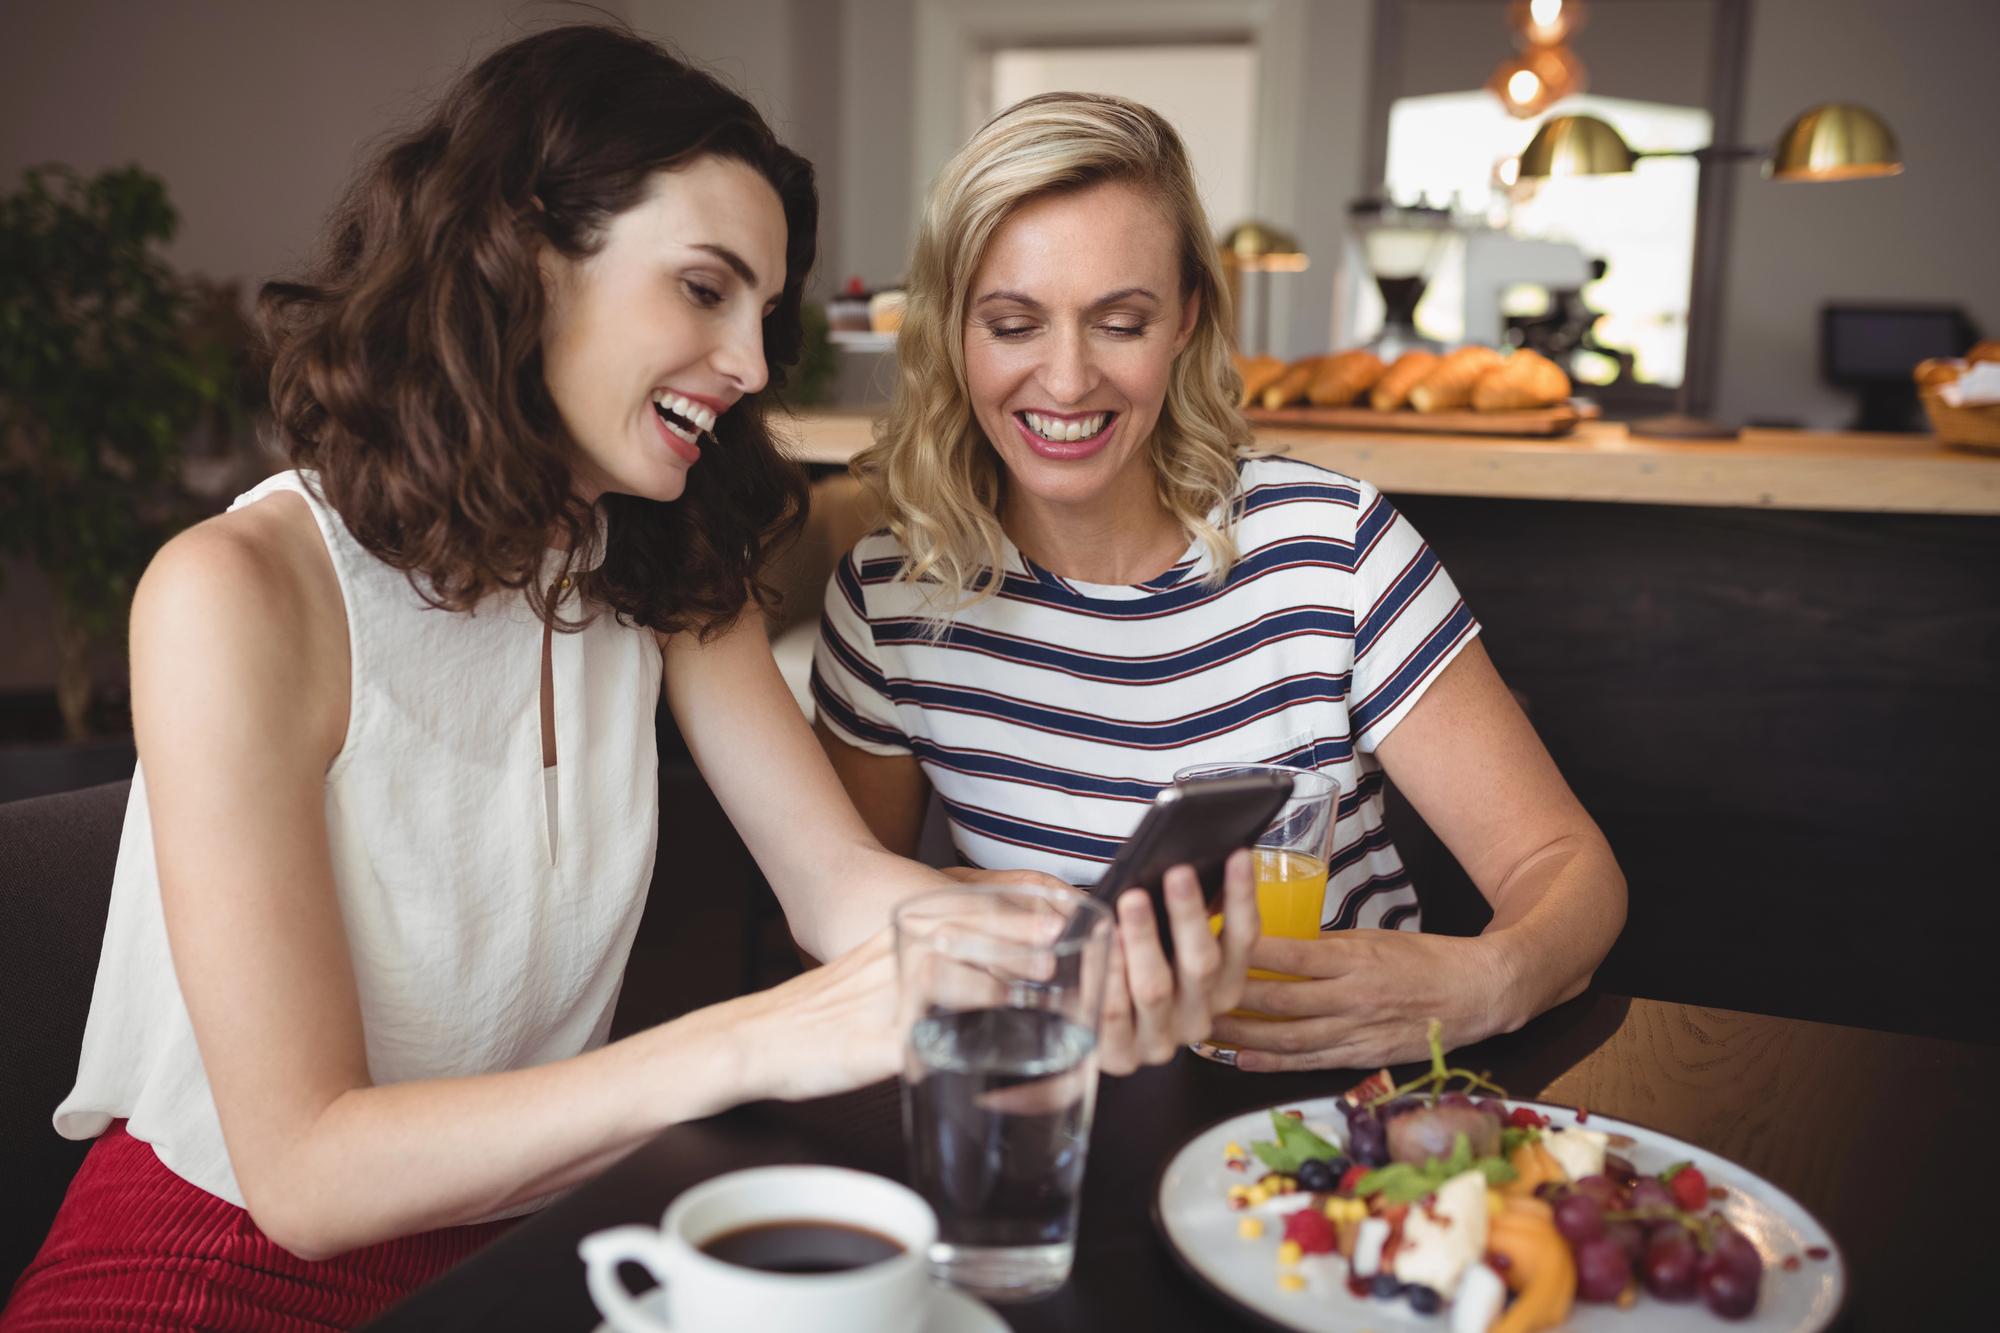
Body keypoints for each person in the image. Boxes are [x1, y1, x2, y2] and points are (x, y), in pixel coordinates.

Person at [2, 35, 1256, 1331]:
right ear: (527, 257)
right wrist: (755, 1037)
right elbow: (308, 1177)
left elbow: (838, 886)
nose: (755, 364)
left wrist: (1078, 947)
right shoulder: (238, 594)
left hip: (544, 1238)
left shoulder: (652, 555)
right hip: (213, 1275)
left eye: (762, 312)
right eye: (705, 288)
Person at [811, 92, 1627, 1075]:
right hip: (1056, 1123)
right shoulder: (890, 596)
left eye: (1119, 321)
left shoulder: (1330, 545)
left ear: (1185, 317)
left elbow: (1567, 871)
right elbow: (848, 925)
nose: (1065, 382)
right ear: (950, 330)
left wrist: (1481, 981)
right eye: (1012, 323)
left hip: (1331, 1130)